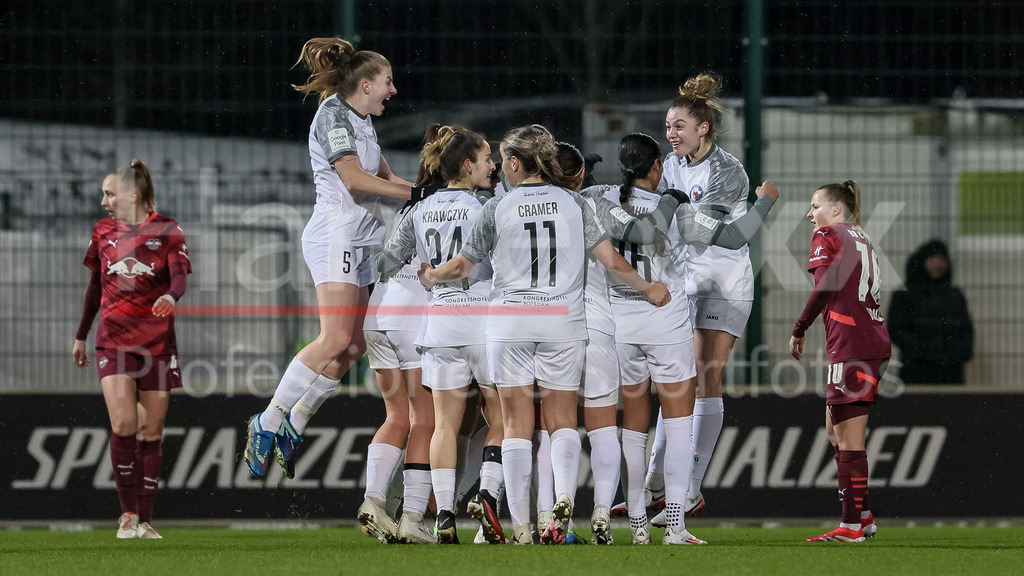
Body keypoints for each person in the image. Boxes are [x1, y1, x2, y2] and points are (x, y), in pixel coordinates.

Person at [418, 124, 670, 545]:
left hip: (510, 324)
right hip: (561, 322)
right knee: (562, 420)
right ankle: (564, 503)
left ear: (516, 163)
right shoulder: (575, 203)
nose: (501, 168)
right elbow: (611, 261)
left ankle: (520, 527)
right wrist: (648, 289)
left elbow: (461, 266)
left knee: (517, 424)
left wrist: (431, 276)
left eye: (504, 160)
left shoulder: (497, 206)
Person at [243, 37, 422, 499]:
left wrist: (435, 194)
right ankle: (268, 421)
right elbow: (355, 179)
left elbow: (387, 178)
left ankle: (296, 421)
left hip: (361, 240)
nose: (393, 90)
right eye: (387, 82)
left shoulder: (362, 120)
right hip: (335, 237)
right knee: (335, 338)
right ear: (366, 84)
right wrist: (416, 195)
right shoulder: (333, 116)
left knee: (355, 345)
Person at [375, 125, 506, 544]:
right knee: (503, 417)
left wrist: (419, 273)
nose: (492, 166)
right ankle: (487, 495)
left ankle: (444, 515)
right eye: (486, 159)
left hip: (441, 322)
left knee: (444, 425)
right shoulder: (486, 206)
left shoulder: (421, 208)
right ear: (467, 166)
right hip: (481, 318)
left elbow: (386, 260)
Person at [647, 72, 757, 518]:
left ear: (703, 128)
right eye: (667, 126)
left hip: (724, 283)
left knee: (706, 375)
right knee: (678, 379)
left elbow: (697, 232)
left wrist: (664, 215)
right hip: (686, 281)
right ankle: (656, 483)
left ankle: (690, 487)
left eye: (679, 126)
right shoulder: (671, 164)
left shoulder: (727, 171)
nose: (671, 134)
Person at [72, 160, 192, 539]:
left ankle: (145, 520)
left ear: (132, 195)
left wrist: (171, 296)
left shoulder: (168, 229)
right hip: (113, 339)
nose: (104, 201)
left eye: (110, 194)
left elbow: (179, 275)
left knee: (150, 431)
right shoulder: (102, 231)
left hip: (157, 343)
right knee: (125, 423)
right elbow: (95, 286)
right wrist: (81, 334)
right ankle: (127, 515)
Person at [357, 125, 446, 544]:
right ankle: (412, 517)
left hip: (379, 314)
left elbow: (388, 260)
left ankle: (373, 501)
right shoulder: (450, 204)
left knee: (397, 417)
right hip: (411, 316)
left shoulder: (411, 204)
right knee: (426, 419)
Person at [789, 180, 890, 543]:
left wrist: (799, 328)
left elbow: (825, 287)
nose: (809, 214)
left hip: (852, 345)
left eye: (815, 206)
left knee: (848, 439)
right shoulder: (861, 236)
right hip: (870, 339)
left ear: (835, 209)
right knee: (835, 429)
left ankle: (850, 526)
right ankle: (862, 515)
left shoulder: (828, 235)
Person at [887, 239, 973, 384]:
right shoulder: (904, 295)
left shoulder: (955, 295)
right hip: (916, 370)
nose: (938, 264)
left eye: (942, 259)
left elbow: (966, 329)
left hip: (950, 372)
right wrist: (923, 351)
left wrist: (959, 352)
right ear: (921, 261)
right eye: (933, 259)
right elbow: (896, 330)